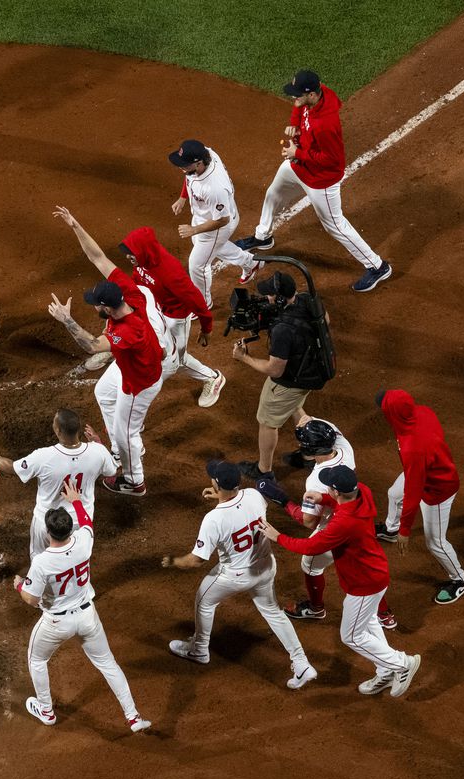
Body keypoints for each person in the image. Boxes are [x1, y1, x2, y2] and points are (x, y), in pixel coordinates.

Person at [261, 465, 422, 697]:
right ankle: (385, 670)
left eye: (329, 488)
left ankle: (401, 663)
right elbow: (341, 501)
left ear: (338, 491)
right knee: (368, 624)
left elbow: (311, 546)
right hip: (372, 574)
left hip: (364, 583)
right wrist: (324, 498)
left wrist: (278, 537)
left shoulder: (344, 522)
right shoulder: (362, 492)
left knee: (352, 636)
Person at [162, 460, 317, 691]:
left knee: (204, 602)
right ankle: (301, 662)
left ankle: (199, 650)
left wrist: (174, 561)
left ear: (216, 483)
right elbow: (240, 507)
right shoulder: (254, 495)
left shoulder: (213, 520)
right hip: (265, 568)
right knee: (273, 613)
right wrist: (222, 497)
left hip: (233, 577)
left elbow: (196, 560)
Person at [234, 70, 391, 293]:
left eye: (298, 94)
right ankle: (263, 237)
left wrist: (298, 152)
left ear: (312, 95)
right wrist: (294, 123)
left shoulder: (326, 124)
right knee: (274, 194)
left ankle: (377, 266)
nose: (293, 98)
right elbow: (299, 107)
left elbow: (331, 160)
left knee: (335, 226)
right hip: (299, 165)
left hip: (321, 180)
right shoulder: (318, 93)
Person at [16, 481, 152, 733]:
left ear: (48, 533)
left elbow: (31, 600)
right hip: (88, 615)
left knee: (37, 659)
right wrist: (76, 500)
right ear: (70, 530)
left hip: (56, 623)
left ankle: (46, 710)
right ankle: (133, 717)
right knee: (108, 663)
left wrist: (19, 586)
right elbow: (87, 522)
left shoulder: (43, 562)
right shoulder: (83, 540)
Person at [46, 233, 165, 497]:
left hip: (140, 383)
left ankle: (135, 481)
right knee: (103, 392)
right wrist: (74, 225)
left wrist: (67, 320)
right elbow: (98, 257)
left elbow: (91, 345)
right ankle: (120, 449)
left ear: (108, 309)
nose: (94, 307)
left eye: (96, 305)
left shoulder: (129, 330)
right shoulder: (130, 296)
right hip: (131, 365)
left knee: (126, 435)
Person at [69, 208, 225, 406]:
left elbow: (197, 300)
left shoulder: (171, 272)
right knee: (141, 339)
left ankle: (212, 377)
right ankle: (113, 346)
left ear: (142, 251)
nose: (128, 258)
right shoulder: (142, 259)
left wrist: (207, 327)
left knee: (176, 359)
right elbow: (137, 282)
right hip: (153, 309)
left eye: (131, 254)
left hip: (175, 317)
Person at [260, 418, 398, 630]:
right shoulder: (345, 450)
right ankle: (384, 614)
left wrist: (285, 503)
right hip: (360, 521)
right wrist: (310, 421)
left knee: (310, 566)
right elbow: (331, 427)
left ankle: (316, 608)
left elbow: (307, 522)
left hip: (335, 525)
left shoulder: (315, 481)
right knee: (366, 566)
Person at [0, 408, 117, 559]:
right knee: (73, 561)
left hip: (47, 522)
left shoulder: (43, 456)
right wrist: (97, 443)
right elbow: (111, 471)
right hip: (81, 520)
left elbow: (11, 467)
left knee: (40, 562)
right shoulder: (98, 451)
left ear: (58, 431)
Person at [231, 272, 328, 481]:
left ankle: (263, 470)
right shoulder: (306, 300)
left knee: (267, 421)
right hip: (312, 371)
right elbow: (325, 320)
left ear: (281, 298)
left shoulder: (283, 330)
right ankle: (309, 455)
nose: (266, 298)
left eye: (270, 296)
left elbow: (275, 370)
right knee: (293, 405)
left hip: (290, 381)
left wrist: (244, 358)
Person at [374, 389, 464, 604]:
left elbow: (414, 494)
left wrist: (406, 530)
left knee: (436, 542)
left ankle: (459, 579)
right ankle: (391, 529)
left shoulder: (414, 448)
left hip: (437, 489)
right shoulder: (423, 412)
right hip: (423, 470)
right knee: (393, 494)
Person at [168, 139, 263, 304]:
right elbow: (188, 176)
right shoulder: (204, 155)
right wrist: (183, 197)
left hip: (218, 224)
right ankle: (251, 262)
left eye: (185, 164)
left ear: (198, 163)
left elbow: (223, 219)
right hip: (205, 214)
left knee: (197, 265)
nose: (180, 168)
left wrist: (194, 229)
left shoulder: (214, 187)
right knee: (206, 246)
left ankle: (203, 303)